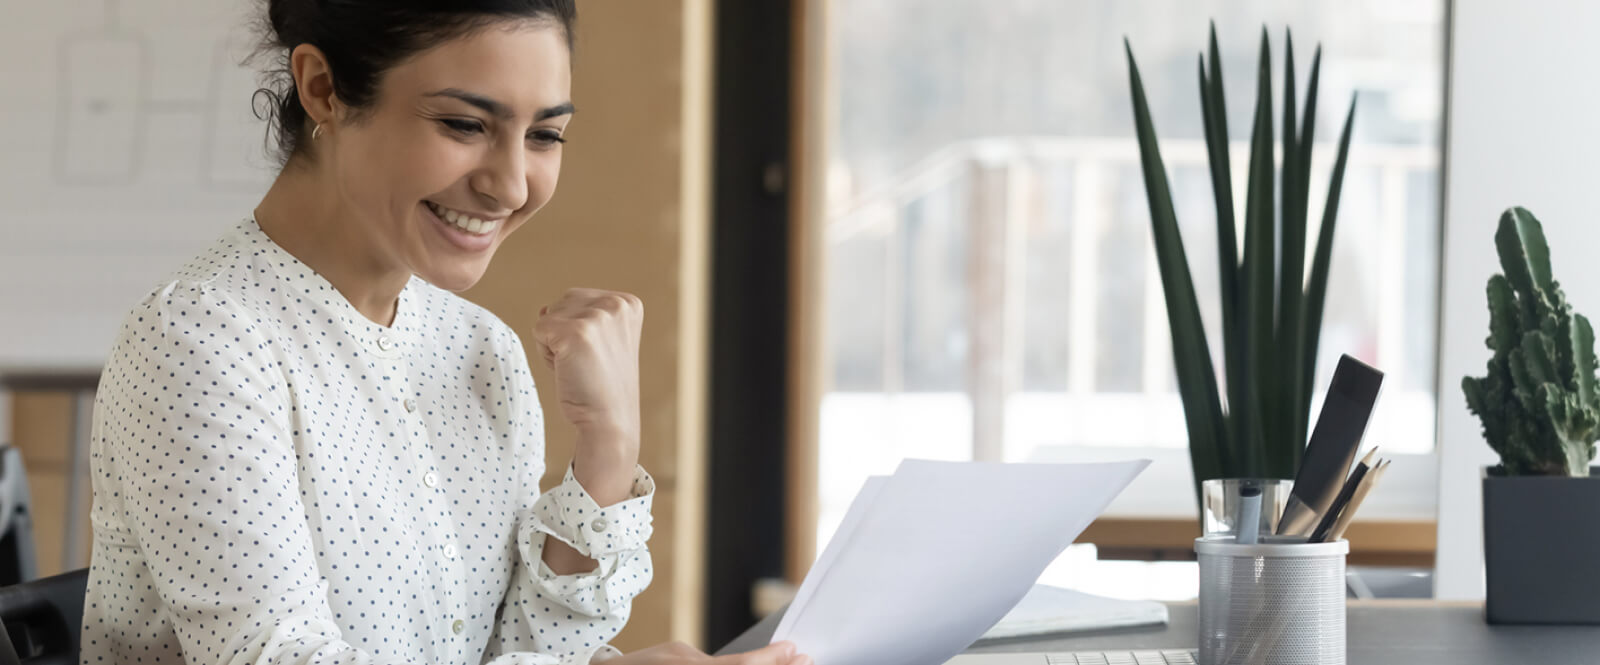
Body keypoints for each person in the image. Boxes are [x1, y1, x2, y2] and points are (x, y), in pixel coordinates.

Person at [77, 2, 810, 664]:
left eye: (546, 134)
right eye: (465, 125)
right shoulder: (200, 342)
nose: (513, 184)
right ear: (323, 89)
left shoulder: (479, 348)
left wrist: (607, 448)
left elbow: (526, 650)